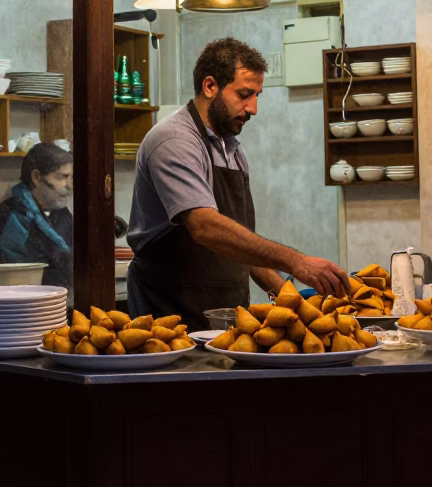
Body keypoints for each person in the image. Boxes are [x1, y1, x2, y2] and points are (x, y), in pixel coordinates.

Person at [126, 37, 350, 330]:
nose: (253, 108)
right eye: (244, 94)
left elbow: (241, 245)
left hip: (224, 312)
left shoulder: (232, 150)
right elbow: (206, 227)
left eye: (258, 95)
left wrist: (290, 298)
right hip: (169, 311)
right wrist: (296, 262)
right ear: (210, 86)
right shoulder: (174, 140)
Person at [0, 142, 75, 291]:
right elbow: (16, 277)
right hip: (20, 305)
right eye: (62, 177)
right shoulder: (9, 216)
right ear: (36, 177)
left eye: (70, 178)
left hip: (60, 300)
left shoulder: (61, 213)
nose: (70, 185)